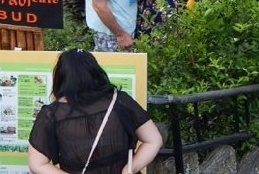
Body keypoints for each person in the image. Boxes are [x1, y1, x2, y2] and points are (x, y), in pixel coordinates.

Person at [28, 48, 163, 173]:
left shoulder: (52, 114)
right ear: (95, 72)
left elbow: (37, 164)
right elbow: (153, 140)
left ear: (61, 78)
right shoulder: (119, 100)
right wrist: (129, 169)